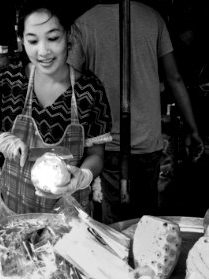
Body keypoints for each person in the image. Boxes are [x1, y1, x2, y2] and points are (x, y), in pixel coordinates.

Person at [0, 0, 112, 216]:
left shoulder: (89, 90)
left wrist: (84, 175)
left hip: (69, 221)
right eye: (32, 40)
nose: (43, 51)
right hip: (14, 216)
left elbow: (96, 154)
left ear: (69, 35)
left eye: (53, 38)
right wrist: (1, 139)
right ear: (22, 40)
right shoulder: (11, 81)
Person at [67, 0, 204, 224]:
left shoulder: (84, 23)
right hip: (146, 139)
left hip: (106, 143)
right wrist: (193, 128)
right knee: (146, 220)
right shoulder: (153, 18)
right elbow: (174, 78)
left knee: (113, 225)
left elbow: (70, 84)